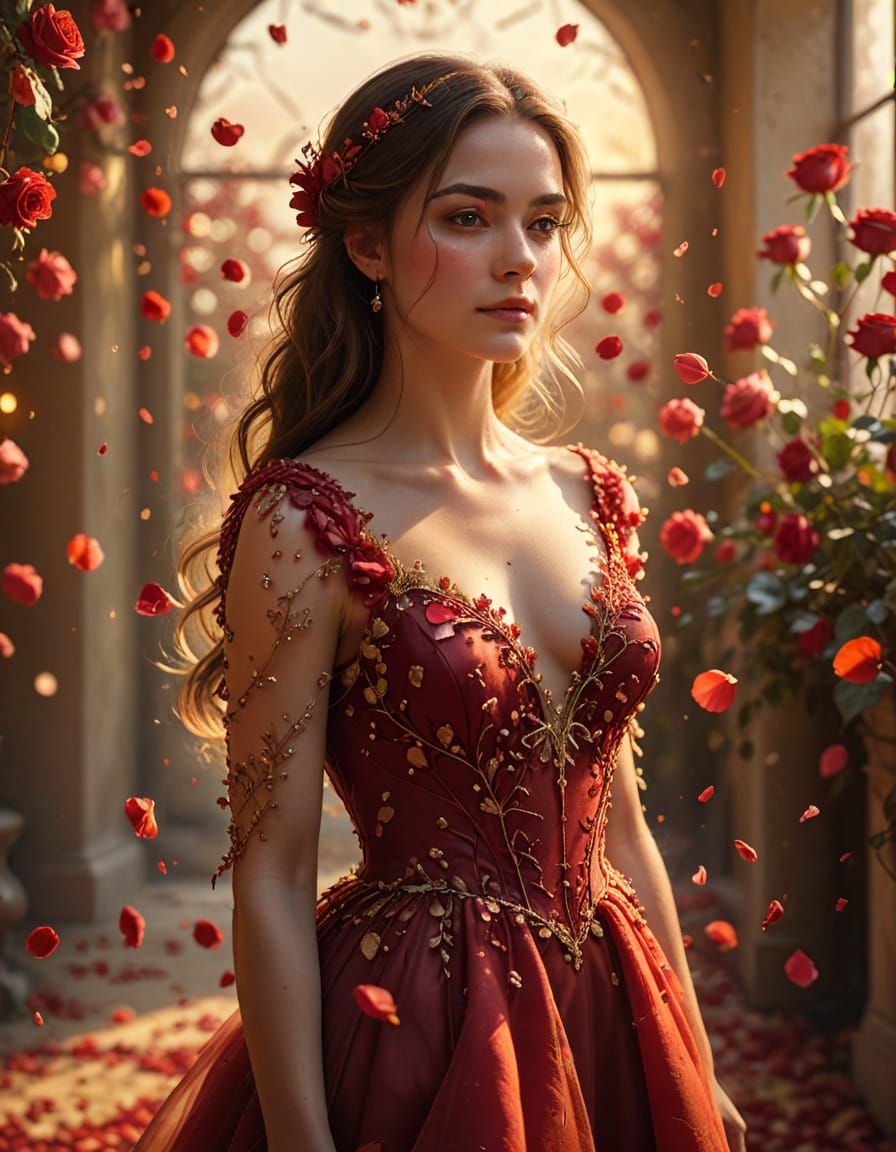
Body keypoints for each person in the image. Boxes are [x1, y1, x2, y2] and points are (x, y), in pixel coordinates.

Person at [134, 51, 747, 1152]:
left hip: (616, 999)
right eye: (468, 217)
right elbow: (271, 878)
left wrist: (692, 1071)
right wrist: (300, 1140)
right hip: (425, 1022)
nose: (518, 259)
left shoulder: (587, 492)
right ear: (364, 244)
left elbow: (625, 824)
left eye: (543, 221)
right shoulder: (303, 519)